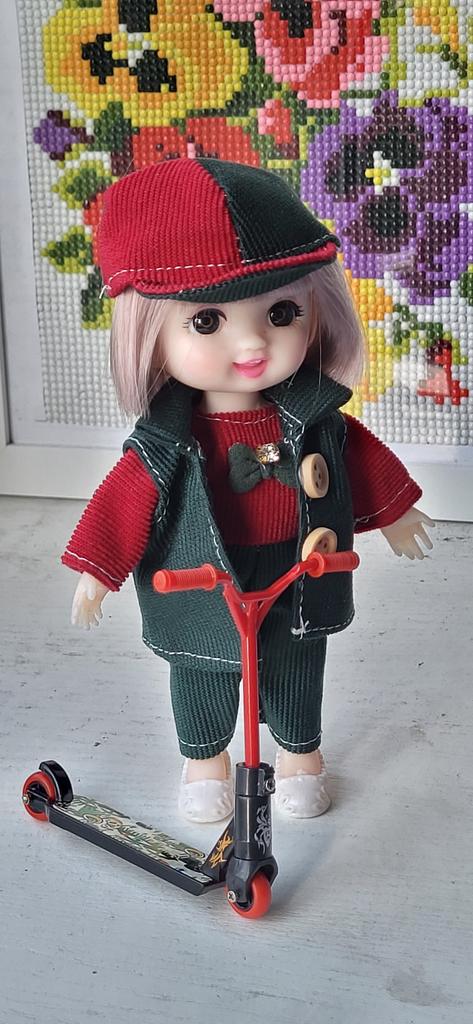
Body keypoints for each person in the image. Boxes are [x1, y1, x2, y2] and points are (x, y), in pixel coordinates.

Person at [62, 158, 433, 823]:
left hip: (298, 563)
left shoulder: (312, 415)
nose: (253, 342)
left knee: (296, 659)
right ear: (148, 334)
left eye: (281, 312)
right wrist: (98, 569)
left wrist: (396, 512)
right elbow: (126, 497)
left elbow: (356, 457)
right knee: (201, 668)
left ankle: (300, 756)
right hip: (198, 572)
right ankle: (205, 762)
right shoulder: (168, 440)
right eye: (206, 322)